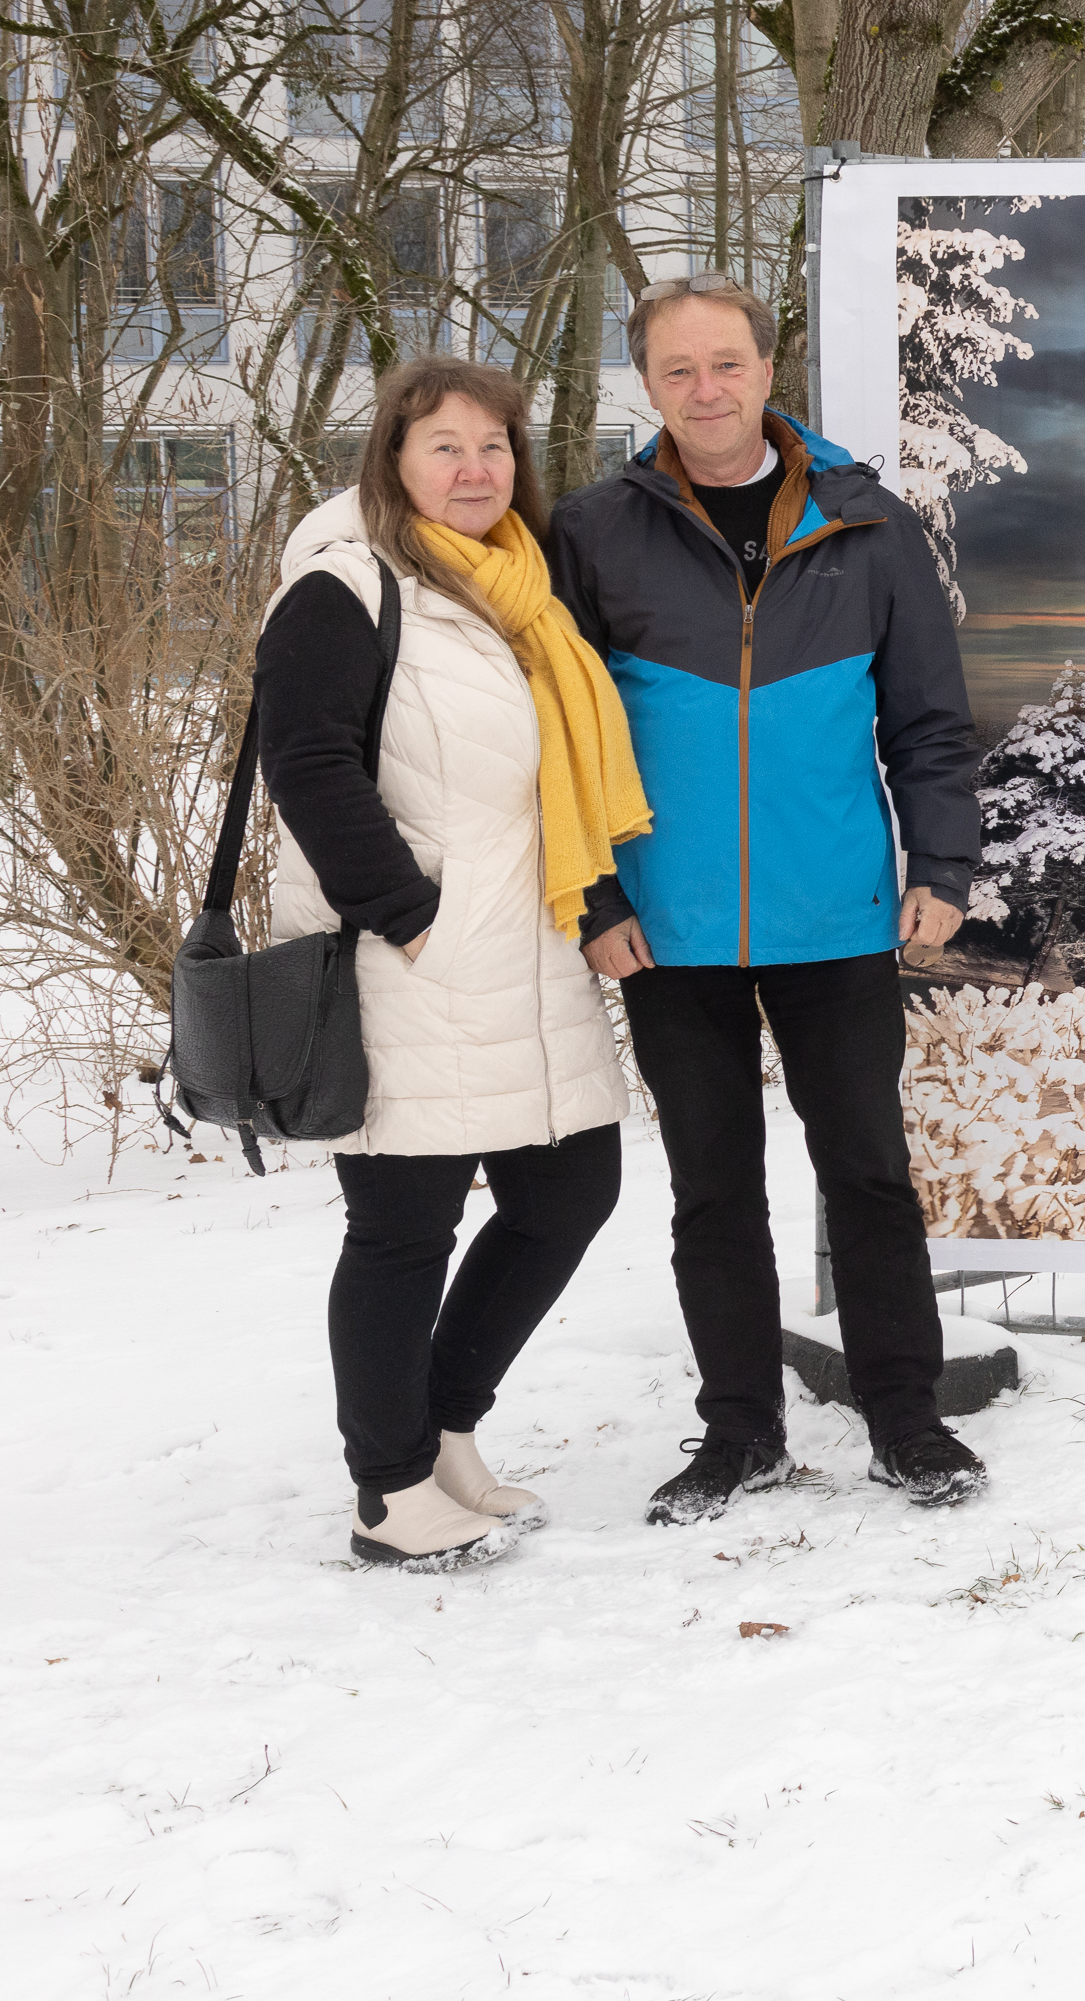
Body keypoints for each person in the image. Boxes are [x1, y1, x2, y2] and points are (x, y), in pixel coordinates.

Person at [547, 274, 990, 1521]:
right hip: (668, 928)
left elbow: (930, 723)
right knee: (712, 1189)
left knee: (868, 1174)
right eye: (678, 370)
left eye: (726, 364)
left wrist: (941, 868)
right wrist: (593, 899)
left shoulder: (866, 525)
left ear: (765, 367)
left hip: (836, 916)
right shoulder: (592, 533)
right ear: (648, 383)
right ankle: (740, 1432)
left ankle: (909, 1420)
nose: (707, 390)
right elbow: (560, 745)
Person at [259, 359, 652, 1569]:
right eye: (445, 446)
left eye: (494, 446)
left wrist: (590, 902)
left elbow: (544, 781)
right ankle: (387, 1484)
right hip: (408, 959)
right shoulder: (343, 588)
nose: (475, 468)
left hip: (527, 950)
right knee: (401, 1229)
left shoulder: (517, 589)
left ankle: (443, 1426)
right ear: (392, 459)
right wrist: (404, 911)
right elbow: (308, 762)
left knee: (569, 1189)